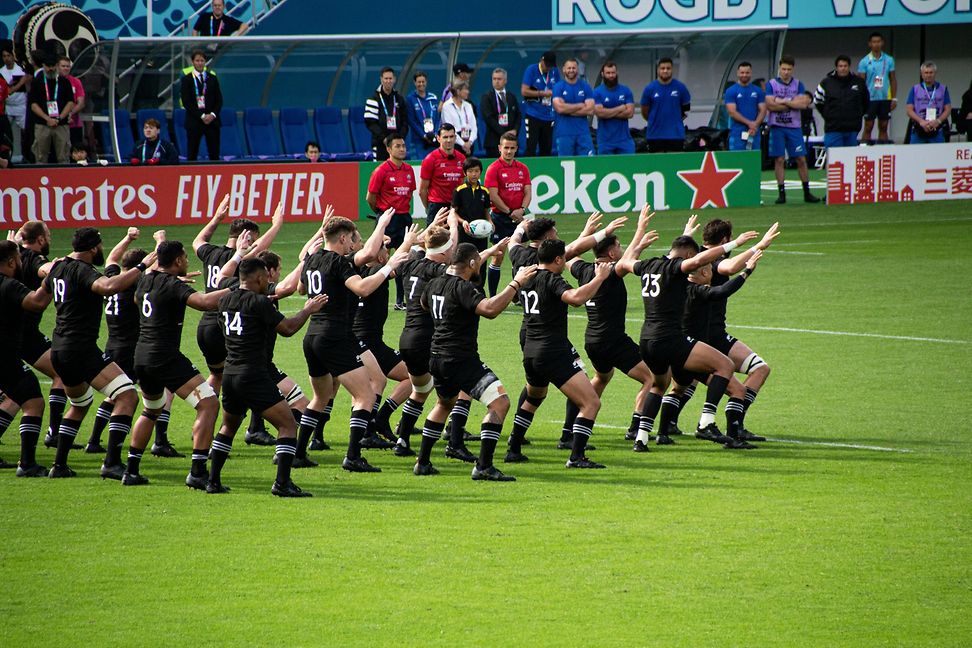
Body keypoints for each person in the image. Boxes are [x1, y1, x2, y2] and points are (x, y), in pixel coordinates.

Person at [621, 226, 758, 452]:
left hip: (646, 339)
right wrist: (736, 245)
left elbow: (626, 263)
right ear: (686, 255)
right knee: (724, 364)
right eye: (692, 258)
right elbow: (699, 262)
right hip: (670, 338)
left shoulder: (647, 265)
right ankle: (706, 421)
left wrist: (638, 241)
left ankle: (641, 439)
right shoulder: (675, 268)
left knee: (658, 385)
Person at [41, 227, 159, 478]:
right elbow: (107, 287)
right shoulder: (83, 270)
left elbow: (41, 293)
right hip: (80, 349)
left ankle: (59, 466)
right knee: (127, 396)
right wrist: (140, 267)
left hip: (59, 347)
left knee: (80, 403)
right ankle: (112, 463)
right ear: (94, 248)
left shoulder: (58, 267)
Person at [412, 243, 537, 479]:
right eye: (478, 261)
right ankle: (484, 466)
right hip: (460, 359)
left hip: (436, 357)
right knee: (500, 403)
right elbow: (490, 310)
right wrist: (516, 284)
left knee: (444, 405)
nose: (479, 264)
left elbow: (423, 304)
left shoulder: (434, 283)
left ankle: (423, 462)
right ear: (471, 263)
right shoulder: (463, 287)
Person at [297, 216, 410, 473]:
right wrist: (387, 267)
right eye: (351, 239)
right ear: (344, 237)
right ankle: (353, 456)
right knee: (366, 395)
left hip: (312, 336)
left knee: (321, 396)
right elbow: (361, 288)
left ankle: (298, 453)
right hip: (335, 337)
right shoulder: (338, 262)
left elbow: (302, 289)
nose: (353, 246)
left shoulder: (311, 259)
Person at [210, 258, 324, 497]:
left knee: (228, 427)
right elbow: (288, 329)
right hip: (253, 373)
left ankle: (212, 481)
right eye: (266, 279)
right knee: (287, 424)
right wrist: (308, 310)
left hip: (230, 373)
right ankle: (282, 484)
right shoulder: (260, 303)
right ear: (259, 278)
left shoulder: (224, 300)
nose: (269, 282)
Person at [120, 240, 227, 487]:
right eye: (185, 257)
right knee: (209, 404)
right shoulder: (170, 284)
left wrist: (174, 288)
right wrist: (240, 290)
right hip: (165, 357)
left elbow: (138, 300)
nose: (187, 261)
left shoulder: (146, 279)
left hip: (142, 356)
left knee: (151, 410)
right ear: (177, 261)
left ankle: (131, 470)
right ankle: (198, 472)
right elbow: (204, 302)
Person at [667, 219, 779, 442]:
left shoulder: (693, 256)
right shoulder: (711, 262)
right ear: (726, 240)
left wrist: (686, 233)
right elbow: (728, 268)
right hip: (711, 336)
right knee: (759, 369)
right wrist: (760, 246)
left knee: (683, 382)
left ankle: (662, 425)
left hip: (689, 333)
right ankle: (733, 423)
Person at [510, 239, 612, 468]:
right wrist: (599, 278)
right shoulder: (552, 279)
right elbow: (575, 299)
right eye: (563, 258)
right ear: (557, 260)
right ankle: (576, 456)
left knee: (534, 398)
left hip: (531, 351)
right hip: (552, 351)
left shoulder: (527, 277)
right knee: (591, 403)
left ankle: (513, 448)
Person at [192, 195, 281, 450]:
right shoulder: (243, 262)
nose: (253, 244)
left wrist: (217, 218)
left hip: (206, 326)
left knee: (217, 376)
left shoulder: (211, 252)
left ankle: (204, 423)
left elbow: (198, 240)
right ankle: (255, 428)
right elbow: (257, 250)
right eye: (251, 238)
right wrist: (276, 226)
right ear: (245, 237)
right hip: (230, 323)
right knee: (253, 368)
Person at [566, 205, 658, 445]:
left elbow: (570, 255)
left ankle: (575, 425)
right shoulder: (610, 271)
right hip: (613, 340)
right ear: (611, 254)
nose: (622, 248)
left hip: (592, 341)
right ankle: (636, 427)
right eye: (618, 246)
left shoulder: (584, 270)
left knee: (602, 377)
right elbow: (628, 260)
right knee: (651, 378)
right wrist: (640, 229)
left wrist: (586, 231)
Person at [0, 240, 53, 476]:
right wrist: (54, 279)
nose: (22, 263)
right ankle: (27, 464)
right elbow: (37, 303)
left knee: (14, 396)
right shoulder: (9, 285)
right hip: (3, 354)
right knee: (33, 401)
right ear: (11, 262)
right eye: (19, 259)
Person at [366, 133, 417, 308]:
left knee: (404, 257)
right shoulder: (380, 171)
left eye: (403, 145)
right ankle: (374, 293)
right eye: (397, 146)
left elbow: (410, 193)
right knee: (380, 258)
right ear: (388, 149)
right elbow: (370, 197)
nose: (402, 149)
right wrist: (382, 214)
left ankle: (400, 300)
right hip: (387, 219)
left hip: (404, 218)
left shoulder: (409, 170)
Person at [765, 55, 819, 204]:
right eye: (783, 69)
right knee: (779, 159)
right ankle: (781, 193)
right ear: (779, 69)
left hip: (794, 127)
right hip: (777, 126)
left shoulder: (798, 84)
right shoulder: (771, 84)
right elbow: (770, 104)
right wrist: (791, 102)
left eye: (789, 69)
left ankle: (807, 192)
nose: (786, 72)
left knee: (801, 158)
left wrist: (781, 101)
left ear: (792, 69)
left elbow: (802, 104)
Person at [483, 131, 531, 295]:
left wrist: (522, 210)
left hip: (519, 217)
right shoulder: (493, 169)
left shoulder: (522, 168)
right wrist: (510, 211)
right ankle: (493, 294)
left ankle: (517, 294)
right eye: (506, 148)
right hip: (500, 218)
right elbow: (493, 195)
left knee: (520, 255)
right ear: (499, 148)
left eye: (512, 148)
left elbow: (528, 192)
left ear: (516, 148)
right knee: (498, 255)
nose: (509, 151)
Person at [28, 51, 74, 164]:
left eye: (53, 66)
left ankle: (65, 180)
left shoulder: (64, 82)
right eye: (48, 66)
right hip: (42, 123)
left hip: (61, 123)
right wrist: (47, 119)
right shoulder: (37, 81)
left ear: (57, 66)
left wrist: (59, 118)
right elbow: (33, 104)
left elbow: (70, 102)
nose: (51, 69)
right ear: (43, 66)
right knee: (40, 156)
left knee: (63, 156)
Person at [814, 55, 869, 149]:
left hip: (852, 129)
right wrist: (828, 115)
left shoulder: (859, 82)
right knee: (834, 161)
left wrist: (856, 115)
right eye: (840, 66)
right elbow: (818, 101)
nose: (843, 68)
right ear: (836, 67)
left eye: (845, 66)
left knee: (850, 159)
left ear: (849, 67)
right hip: (833, 129)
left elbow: (866, 102)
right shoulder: (826, 82)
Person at [640, 58, 690, 153]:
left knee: (675, 165)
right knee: (656, 166)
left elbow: (687, 110)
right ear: (658, 70)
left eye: (668, 68)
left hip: (676, 135)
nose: (665, 71)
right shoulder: (650, 88)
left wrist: (675, 121)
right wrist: (655, 120)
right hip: (655, 135)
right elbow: (644, 111)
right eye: (662, 68)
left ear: (672, 70)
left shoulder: (680, 87)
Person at [179, 50, 222, 161]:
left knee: (214, 153)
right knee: (192, 152)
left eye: (202, 60)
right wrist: (202, 116)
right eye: (197, 60)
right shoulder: (187, 79)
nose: (200, 63)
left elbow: (219, 100)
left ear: (205, 62)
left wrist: (212, 115)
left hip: (212, 121)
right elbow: (186, 102)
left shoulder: (212, 78)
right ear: (193, 62)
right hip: (195, 121)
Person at [420, 123, 466, 226]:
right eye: (445, 137)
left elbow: (461, 185)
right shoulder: (430, 159)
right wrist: (429, 207)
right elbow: (422, 190)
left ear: (455, 138)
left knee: (454, 239)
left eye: (451, 137)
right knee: (434, 241)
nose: (449, 140)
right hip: (437, 206)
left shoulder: (462, 158)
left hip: (455, 206)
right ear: (438, 138)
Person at [858, 32, 897, 145]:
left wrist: (894, 98)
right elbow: (861, 83)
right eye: (874, 42)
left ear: (882, 43)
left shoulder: (889, 60)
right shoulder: (864, 61)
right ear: (870, 44)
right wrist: (862, 100)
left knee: (884, 125)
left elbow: (893, 79)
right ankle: (865, 149)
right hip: (870, 99)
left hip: (885, 98)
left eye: (878, 41)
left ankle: (883, 150)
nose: (876, 44)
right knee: (868, 125)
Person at [551, 58, 594, 156]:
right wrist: (580, 105)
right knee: (565, 163)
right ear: (564, 69)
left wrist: (568, 109)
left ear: (577, 69)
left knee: (589, 164)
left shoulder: (585, 86)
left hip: (583, 133)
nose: (571, 70)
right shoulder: (558, 87)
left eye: (573, 68)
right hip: (564, 133)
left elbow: (590, 110)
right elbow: (560, 109)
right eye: (569, 68)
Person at [364, 67, 408, 161]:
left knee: (397, 172)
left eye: (390, 78)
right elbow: (370, 123)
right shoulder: (373, 99)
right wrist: (384, 139)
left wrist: (399, 139)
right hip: (380, 144)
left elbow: (405, 121)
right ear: (381, 79)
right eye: (386, 78)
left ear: (394, 79)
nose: (388, 81)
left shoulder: (399, 99)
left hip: (397, 145)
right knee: (379, 172)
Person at [452, 157, 492, 259]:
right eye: (470, 171)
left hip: (481, 233)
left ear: (480, 172)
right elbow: (453, 212)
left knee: (480, 260)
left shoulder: (485, 191)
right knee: (464, 261)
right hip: (464, 232)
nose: (474, 174)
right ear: (465, 173)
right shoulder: (459, 190)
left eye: (476, 171)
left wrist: (490, 222)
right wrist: (463, 222)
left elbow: (486, 210)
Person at [520, 51, 560, 157]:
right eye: (547, 65)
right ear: (542, 61)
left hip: (548, 115)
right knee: (531, 146)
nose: (548, 68)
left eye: (550, 66)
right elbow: (524, 91)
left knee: (546, 148)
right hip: (533, 114)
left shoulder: (554, 71)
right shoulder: (532, 70)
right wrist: (542, 93)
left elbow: (558, 89)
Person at [592, 60, 635, 155]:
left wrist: (607, 112)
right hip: (605, 141)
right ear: (603, 74)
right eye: (608, 73)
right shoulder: (597, 92)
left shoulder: (626, 90)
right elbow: (600, 113)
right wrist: (620, 108)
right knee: (606, 169)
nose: (611, 76)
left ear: (617, 73)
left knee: (629, 167)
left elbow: (630, 113)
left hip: (624, 140)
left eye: (613, 73)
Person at [724, 61, 767, 152]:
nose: (744, 75)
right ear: (737, 73)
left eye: (747, 73)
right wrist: (749, 123)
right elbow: (732, 112)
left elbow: (763, 110)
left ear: (751, 73)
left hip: (754, 131)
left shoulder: (758, 91)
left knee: (753, 160)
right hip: (737, 132)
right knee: (737, 160)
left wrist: (755, 124)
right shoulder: (731, 91)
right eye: (742, 73)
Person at [906, 62, 952, 145]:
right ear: (922, 74)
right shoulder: (915, 89)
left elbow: (948, 109)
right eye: (926, 73)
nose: (928, 75)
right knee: (914, 155)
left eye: (931, 72)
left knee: (938, 155)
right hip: (918, 128)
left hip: (937, 128)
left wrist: (938, 121)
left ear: (935, 73)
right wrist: (921, 122)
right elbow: (909, 110)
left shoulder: (943, 89)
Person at [480, 68, 521, 158]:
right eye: (494, 79)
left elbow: (518, 115)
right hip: (494, 141)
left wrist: (515, 130)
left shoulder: (511, 96)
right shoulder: (487, 97)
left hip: (511, 141)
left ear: (505, 80)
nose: (496, 81)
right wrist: (504, 133)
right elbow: (488, 118)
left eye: (499, 79)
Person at [1, 46, 28, 159]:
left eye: (8, 56)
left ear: (13, 56)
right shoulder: (1, 71)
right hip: (8, 106)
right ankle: (8, 156)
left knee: (25, 132)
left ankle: (25, 155)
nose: (7, 58)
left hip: (21, 105)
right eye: (4, 56)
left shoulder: (21, 70)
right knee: (6, 133)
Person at [406, 71, 439, 157]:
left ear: (426, 82)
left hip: (433, 138)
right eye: (419, 82)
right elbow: (411, 120)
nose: (421, 84)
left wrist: (435, 134)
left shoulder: (433, 97)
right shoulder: (411, 98)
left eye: (423, 81)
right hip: (418, 139)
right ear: (414, 83)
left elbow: (437, 118)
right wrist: (423, 135)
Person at [440, 81, 477, 156]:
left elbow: (474, 127)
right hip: (455, 142)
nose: (468, 92)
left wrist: (469, 142)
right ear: (458, 91)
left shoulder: (468, 105)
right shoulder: (447, 106)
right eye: (465, 89)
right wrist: (463, 144)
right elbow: (449, 128)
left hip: (469, 142)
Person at [56, 57, 84, 148]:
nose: (66, 68)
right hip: (57, 124)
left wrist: (69, 114)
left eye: (68, 66)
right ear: (57, 67)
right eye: (63, 66)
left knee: (76, 151)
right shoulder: (53, 81)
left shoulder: (76, 81)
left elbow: (81, 103)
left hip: (74, 124)